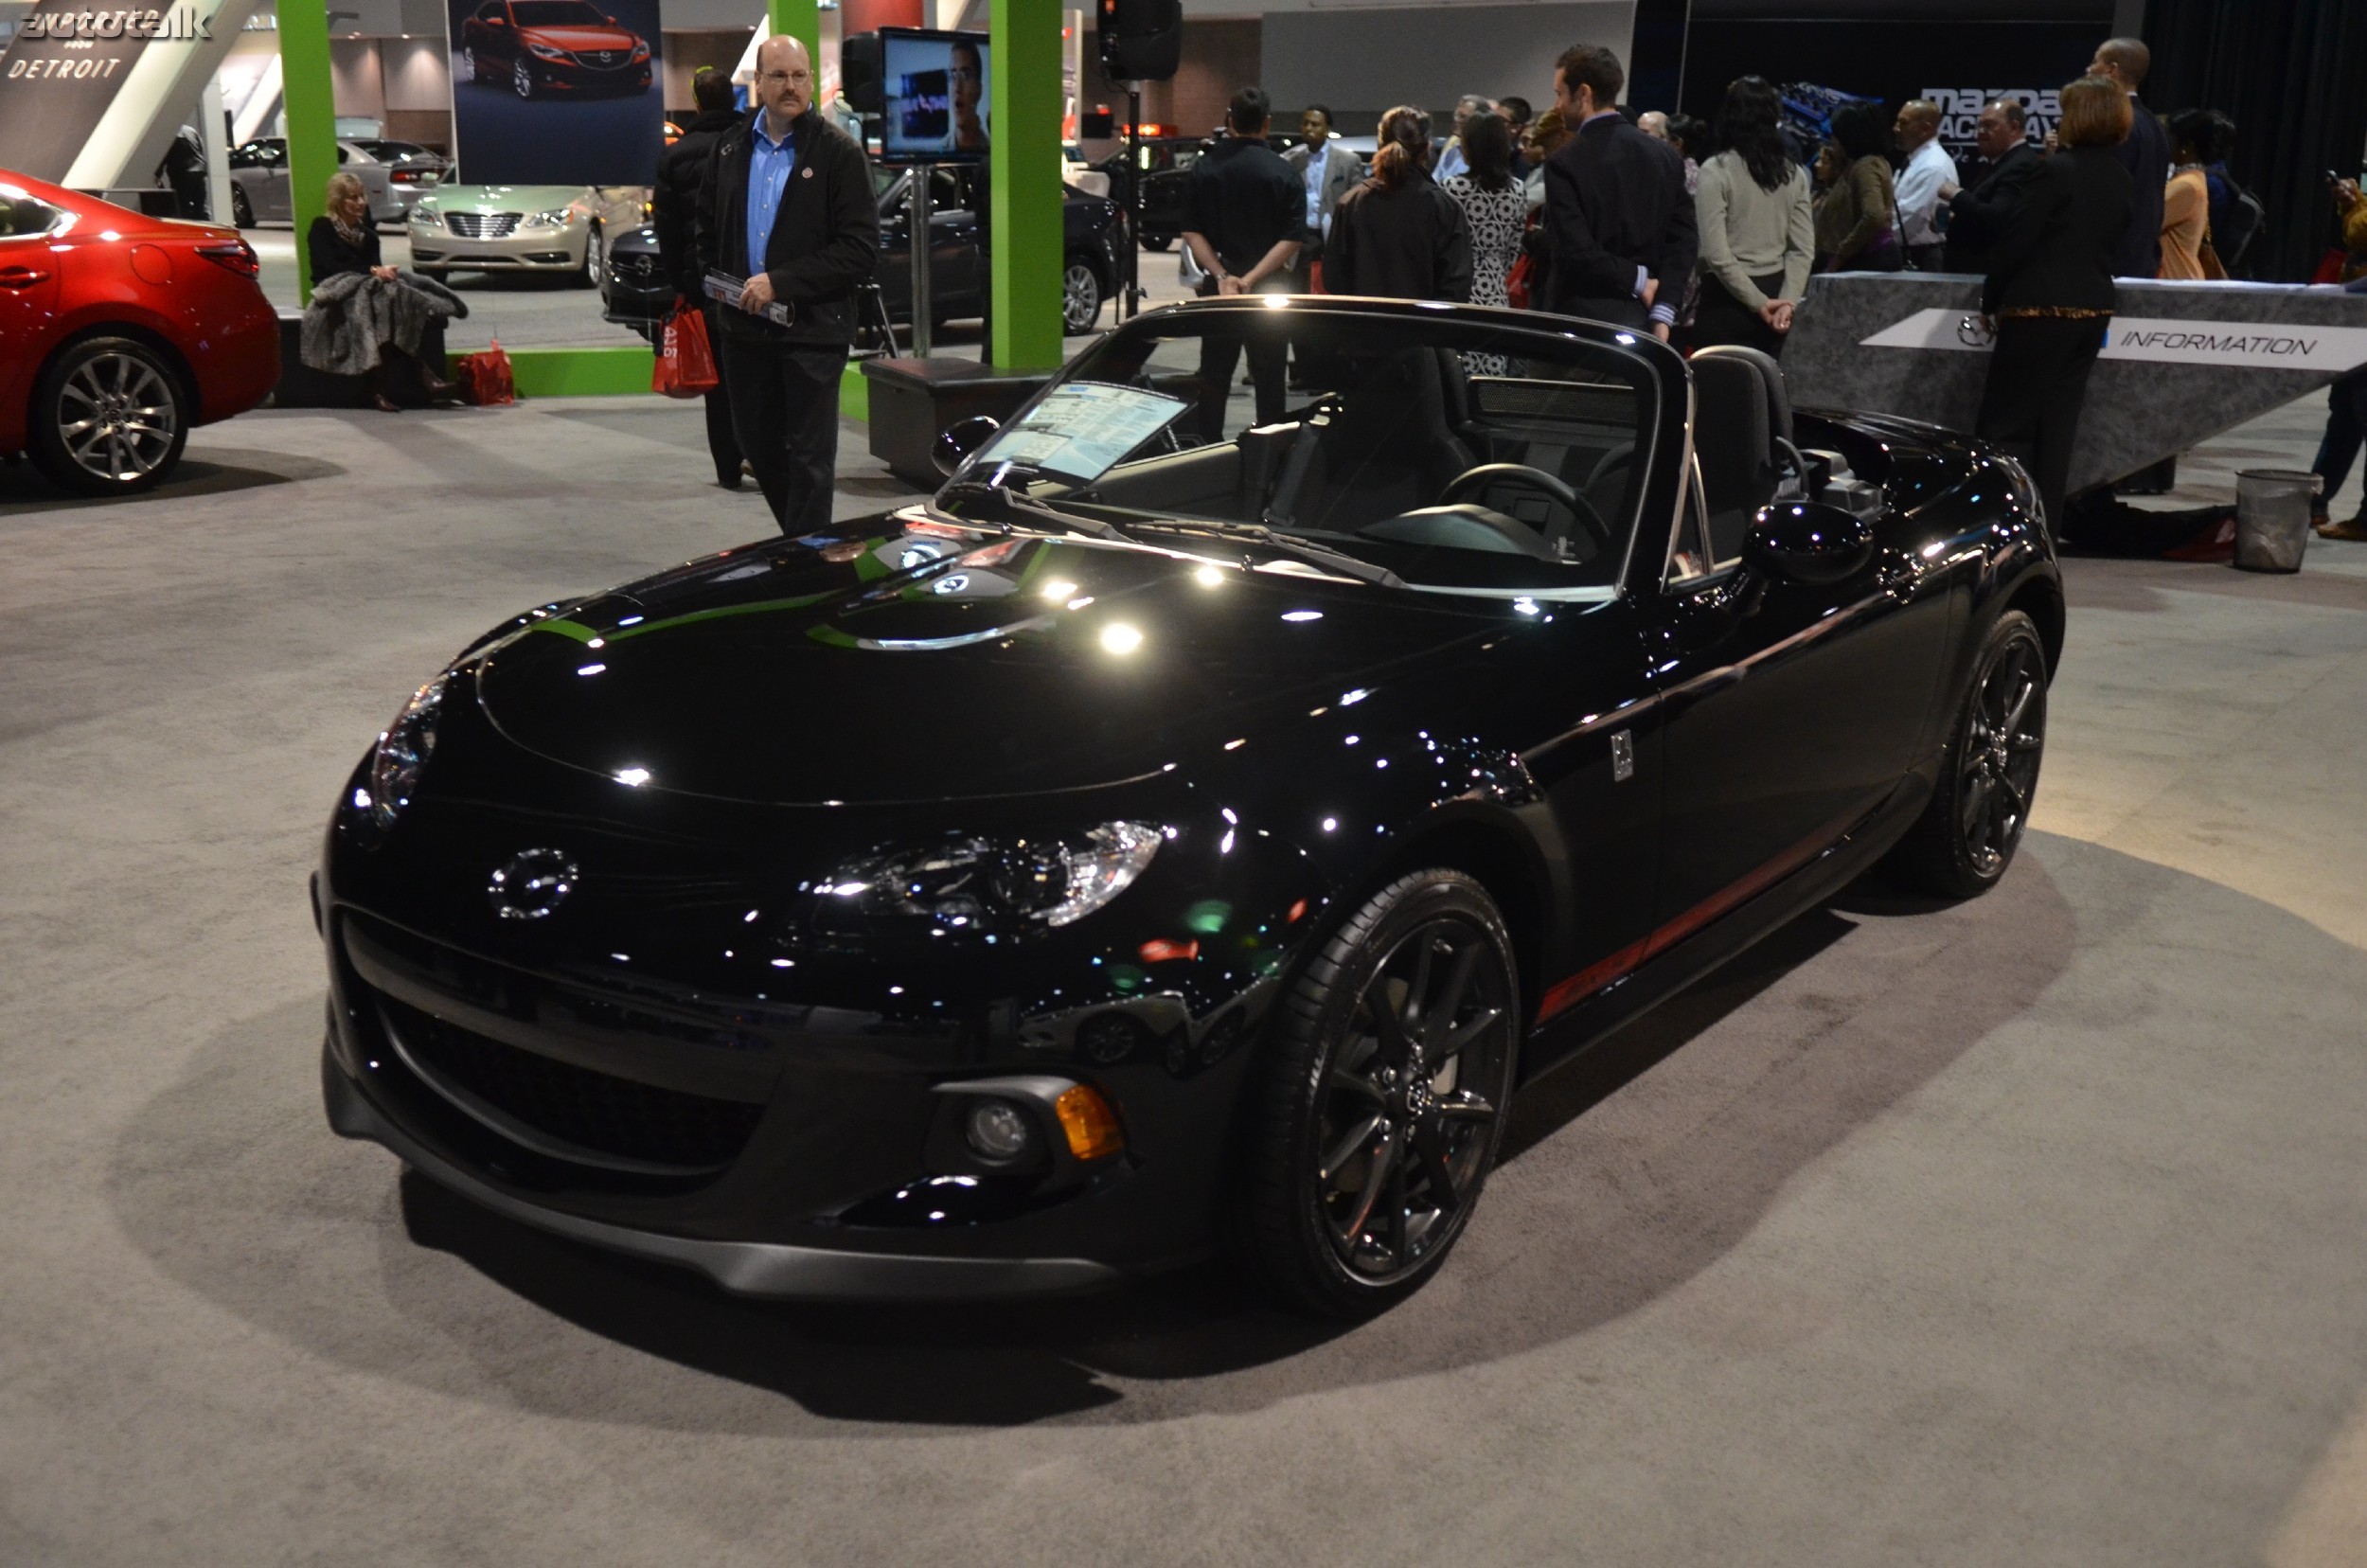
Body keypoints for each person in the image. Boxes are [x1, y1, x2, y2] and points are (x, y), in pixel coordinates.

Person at [698, 34, 880, 535]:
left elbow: (860, 248)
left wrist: (781, 282)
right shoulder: (730, 148)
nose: (790, 86)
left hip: (814, 333)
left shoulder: (839, 154)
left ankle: (808, 562)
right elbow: (706, 231)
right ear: (757, 82)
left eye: (800, 76)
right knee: (754, 443)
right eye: (778, 76)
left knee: (810, 457)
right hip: (744, 329)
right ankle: (804, 544)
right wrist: (717, 291)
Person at [1974, 74, 2133, 534]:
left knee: (2006, 424)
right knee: (2058, 428)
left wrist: (1992, 295)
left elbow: (2017, 240)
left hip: (2039, 308)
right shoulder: (2121, 176)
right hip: (2093, 309)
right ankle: (2045, 530)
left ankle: (2003, 525)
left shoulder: (2055, 171)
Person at [1540, 43, 1695, 337]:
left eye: (1559, 94)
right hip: (1646, 327)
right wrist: (1663, 309)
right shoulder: (1666, 157)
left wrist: (1640, 280)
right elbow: (1684, 240)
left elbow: (1576, 252)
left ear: (1583, 93)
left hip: (1579, 329)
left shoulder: (1564, 162)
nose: (1557, 105)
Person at [1180, 86, 1304, 438]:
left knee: (1214, 373)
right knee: (1269, 374)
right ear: (1266, 123)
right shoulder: (1283, 171)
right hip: (1270, 289)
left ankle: (1207, 452)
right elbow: (1291, 237)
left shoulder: (1204, 168)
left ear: (1229, 121)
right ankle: (1270, 452)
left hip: (1220, 289)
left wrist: (1223, 275)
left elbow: (1191, 231)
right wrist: (1251, 279)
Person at [653, 65, 747, 490]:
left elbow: (668, 230)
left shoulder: (676, 155)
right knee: (758, 374)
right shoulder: (751, 144)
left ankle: (727, 470)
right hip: (753, 280)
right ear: (733, 99)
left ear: (696, 102)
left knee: (720, 384)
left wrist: (681, 285)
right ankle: (760, 458)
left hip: (703, 284)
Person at [303, 172, 458, 412]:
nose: (359, 203)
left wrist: (382, 273)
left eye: (361, 196)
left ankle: (380, 390)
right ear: (338, 201)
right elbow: (330, 268)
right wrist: (374, 271)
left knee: (391, 300)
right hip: (335, 290)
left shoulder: (370, 237)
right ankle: (422, 376)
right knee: (385, 305)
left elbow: (372, 275)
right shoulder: (322, 228)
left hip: (367, 292)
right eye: (352, 198)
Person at [1691, 75, 1813, 356]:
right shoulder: (1793, 173)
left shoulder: (1715, 169)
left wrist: (1758, 303)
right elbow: (1802, 250)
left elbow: (1717, 255)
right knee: (1764, 393)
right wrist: (1787, 302)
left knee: (1718, 393)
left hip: (1726, 300)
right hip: (1776, 295)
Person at [1327, 105, 1472, 303]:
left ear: (1380, 144)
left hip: (1362, 327)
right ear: (1426, 148)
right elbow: (1456, 286)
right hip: (1422, 329)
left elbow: (1334, 279)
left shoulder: (1350, 203)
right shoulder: (1444, 207)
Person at [2090, 36, 2171, 277]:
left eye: (2095, 62)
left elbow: (2108, 197)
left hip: (2112, 264)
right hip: (2142, 259)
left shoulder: (2117, 124)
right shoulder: (2155, 125)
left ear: (2111, 70)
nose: (2088, 70)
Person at [1939, 98, 2040, 274]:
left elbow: (1997, 218)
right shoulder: (2000, 162)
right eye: (1978, 126)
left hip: (1987, 273)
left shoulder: (2020, 164)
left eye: (1988, 126)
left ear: (2014, 128)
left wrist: (1957, 195)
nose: (1980, 133)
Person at [1439, 108, 1525, 312]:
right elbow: (1514, 251)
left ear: (1469, 147)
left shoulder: (1451, 188)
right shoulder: (1517, 190)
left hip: (1458, 292)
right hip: (1496, 293)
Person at [1284, 103, 1362, 290]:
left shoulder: (1347, 161)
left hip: (1330, 236)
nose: (1309, 128)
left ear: (1327, 129)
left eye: (1315, 124)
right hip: (1300, 237)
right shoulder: (1292, 159)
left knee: (1328, 289)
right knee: (1296, 291)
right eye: (1305, 123)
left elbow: (1358, 200)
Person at [1814, 102, 1899, 272]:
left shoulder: (1866, 166)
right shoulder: (1861, 164)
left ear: (1848, 136)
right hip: (1863, 258)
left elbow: (1874, 215)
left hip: (1867, 260)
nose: (1832, 141)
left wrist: (1841, 254)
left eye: (1835, 135)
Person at [1892, 97, 1956, 272]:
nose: (1896, 128)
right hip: (1906, 252)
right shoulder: (1915, 159)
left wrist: (1875, 241)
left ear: (1925, 129)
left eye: (1903, 123)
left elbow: (1910, 220)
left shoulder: (1933, 165)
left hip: (1919, 258)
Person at [2158, 110, 2223, 280]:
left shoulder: (2186, 186)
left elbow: (2147, 222)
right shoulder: (2194, 178)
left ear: (2187, 146)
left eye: (2170, 138)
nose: (2165, 143)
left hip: (2176, 280)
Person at [1433, 95, 1494, 181]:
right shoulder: (1452, 150)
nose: (1457, 120)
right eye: (1456, 115)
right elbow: (1435, 179)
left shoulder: (1486, 155)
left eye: (1463, 117)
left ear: (1479, 121)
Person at [949, 38, 988, 153]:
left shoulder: (995, 153)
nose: (957, 88)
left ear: (978, 89)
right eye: (953, 76)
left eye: (966, 75)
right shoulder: (935, 156)